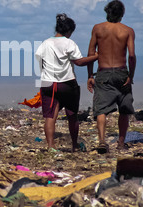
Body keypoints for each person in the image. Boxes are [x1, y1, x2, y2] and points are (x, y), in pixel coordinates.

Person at [35, 13, 98, 152]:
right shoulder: (69, 43)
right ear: (69, 31)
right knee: (72, 116)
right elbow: (79, 62)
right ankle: (74, 145)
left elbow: (40, 60)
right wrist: (96, 57)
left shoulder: (45, 43)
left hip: (48, 84)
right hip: (67, 84)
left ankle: (51, 146)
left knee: (50, 117)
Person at [87, 0, 136, 153]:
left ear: (107, 12)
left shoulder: (98, 29)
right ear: (122, 14)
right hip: (121, 72)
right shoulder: (128, 31)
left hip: (104, 72)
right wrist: (131, 76)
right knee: (124, 108)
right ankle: (121, 142)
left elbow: (90, 54)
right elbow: (132, 56)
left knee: (101, 109)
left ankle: (102, 141)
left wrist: (90, 74)